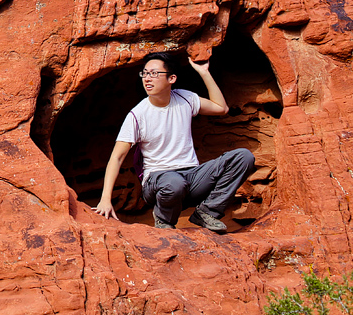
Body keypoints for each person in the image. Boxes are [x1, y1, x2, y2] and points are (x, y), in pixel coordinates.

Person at [92, 51, 255, 232]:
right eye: (144, 73)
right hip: (158, 181)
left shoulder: (185, 98)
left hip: (191, 177)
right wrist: (105, 199)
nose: (147, 78)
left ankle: (207, 212)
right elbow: (116, 157)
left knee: (243, 157)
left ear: (172, 78)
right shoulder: (137, 115)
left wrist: (204, 72)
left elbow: (221, 108)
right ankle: (163, 220)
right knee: (174, 183)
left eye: (154, 73)